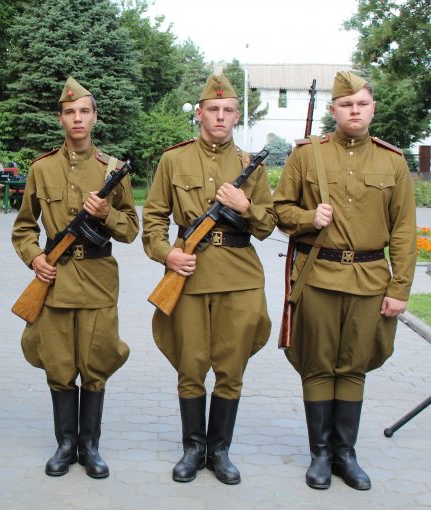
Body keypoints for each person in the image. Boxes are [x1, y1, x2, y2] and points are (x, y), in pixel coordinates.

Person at [273, 71, 416, 491]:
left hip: (370, 280)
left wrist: (399, 288)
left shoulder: (392, 161)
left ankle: (345, 453)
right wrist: (306, 218)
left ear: (373, 108)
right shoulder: (306, 156)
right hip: (317, 278)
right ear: (333, 111)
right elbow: (279, 209)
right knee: (317, 366)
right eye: (347, 105)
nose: (355, 111)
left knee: (353, 367)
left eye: (362, 104)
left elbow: (404, 230)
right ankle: (319, 453)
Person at [142, 74, 275, 485]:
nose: (219, 116)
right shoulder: (174, 160)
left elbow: (269, 224)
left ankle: (220, 451)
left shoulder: (250, 165)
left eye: (227, 110)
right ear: (199, 113)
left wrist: (246, 205)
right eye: (212, 109)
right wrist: (169, 254)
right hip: (190, 277)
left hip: (239, 277)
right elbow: (152, 220)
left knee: (231, 369)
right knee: (191, 365)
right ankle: (192, 449)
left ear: (236, 116)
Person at [12, 77, 138, 479]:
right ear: (60, 119)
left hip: (99, 281)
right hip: (54, 282)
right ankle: (65, 445)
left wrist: (106, 215)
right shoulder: (41, 168)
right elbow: (23, 228)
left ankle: (90, 446)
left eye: (84, 111)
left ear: (95, 117)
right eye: (70, 112)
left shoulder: (113, 170)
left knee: (96, 363)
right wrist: (35, 258)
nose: (77, 118)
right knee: (60, 365)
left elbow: (132, 229)